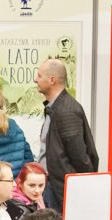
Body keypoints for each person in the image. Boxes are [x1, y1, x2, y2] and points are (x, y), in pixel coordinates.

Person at [36, 59, 97, 212]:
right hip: (55, 187)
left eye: (39, 75)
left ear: (52, 80)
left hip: (61, 190)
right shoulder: (56, 107)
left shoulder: (66, 111)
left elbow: (80, 157)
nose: (35, 80)